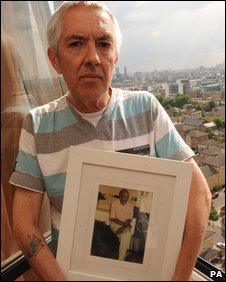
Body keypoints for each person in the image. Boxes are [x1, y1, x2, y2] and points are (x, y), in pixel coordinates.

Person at [10, 1, 212, 281]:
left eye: (104, 43)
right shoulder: (38, 125)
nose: (93, 56)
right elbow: (23, 222)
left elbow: (199, 196)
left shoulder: (146, 109)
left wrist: (180, 276)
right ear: (54, 58)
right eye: (76, 43)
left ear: (115, 56)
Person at [109, 189, 134, 261]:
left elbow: (129, 219)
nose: (126, 198)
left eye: (127, 197)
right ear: (120, 196)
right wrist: (124, 225)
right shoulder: (114, 204)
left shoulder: (131, 205)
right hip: (115, 224)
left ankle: (121, 258)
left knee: (127, 234)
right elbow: (112, 218)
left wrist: (123, 227)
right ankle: (124, 253)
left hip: (125, 225)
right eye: (124, 196)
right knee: (124, 237)